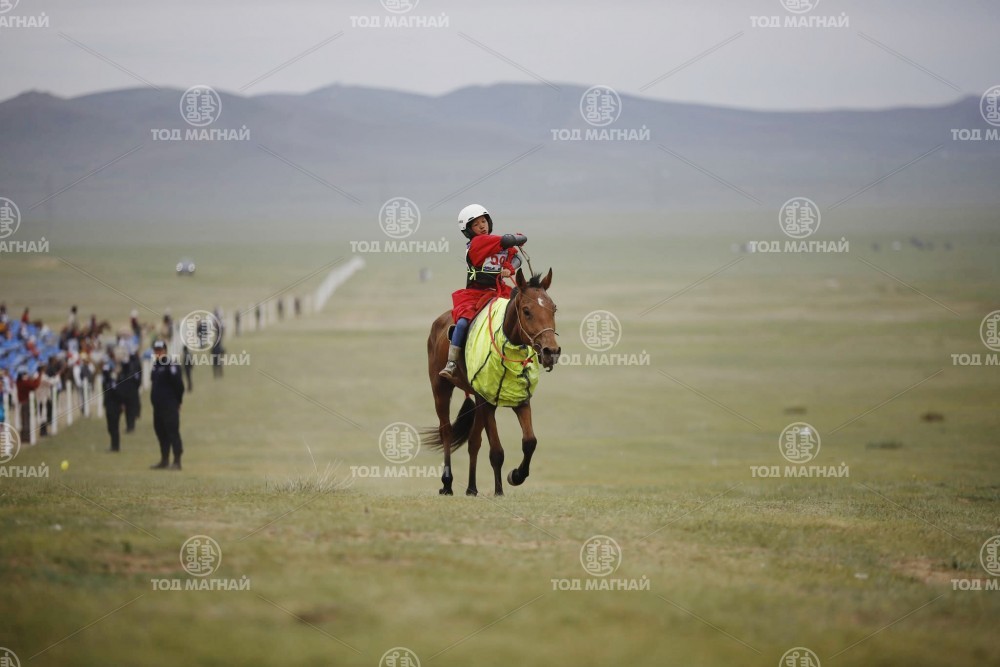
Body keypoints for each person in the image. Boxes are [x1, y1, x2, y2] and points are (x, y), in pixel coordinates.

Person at [439, 204, 527, 380]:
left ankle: (526, 357)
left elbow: (516, 257)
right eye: (476, 224)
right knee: (462, 323)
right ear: (469, 230)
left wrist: (510, 267)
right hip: (475, 294)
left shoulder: (494, 241)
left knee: (523, 315)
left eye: (484, 221)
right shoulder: (478, 243)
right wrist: (518, 238)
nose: (482, 226)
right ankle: (452, 362)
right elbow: (509, 241)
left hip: (499, 292)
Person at [150, 340, 184, 470]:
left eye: (160, 350)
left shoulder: (171, 365)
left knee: (172, 432)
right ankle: (164, 460)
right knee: (160, 432)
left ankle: (177, 461)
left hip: (169, 406)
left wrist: (178, 401)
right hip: (157, 407)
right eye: (156, 351)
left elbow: (179, 385)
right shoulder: (156, 365)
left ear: (165, 350)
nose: (158, 353)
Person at [101, 346, 128, 452]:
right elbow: (106, 380)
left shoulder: (120, 370)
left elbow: (119, 388)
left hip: (116, 401)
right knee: (110, 425)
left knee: (114, 425)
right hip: (109, 400)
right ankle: (113, 445)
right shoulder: (109, 366)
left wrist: (122, 402)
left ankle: (115, 446)